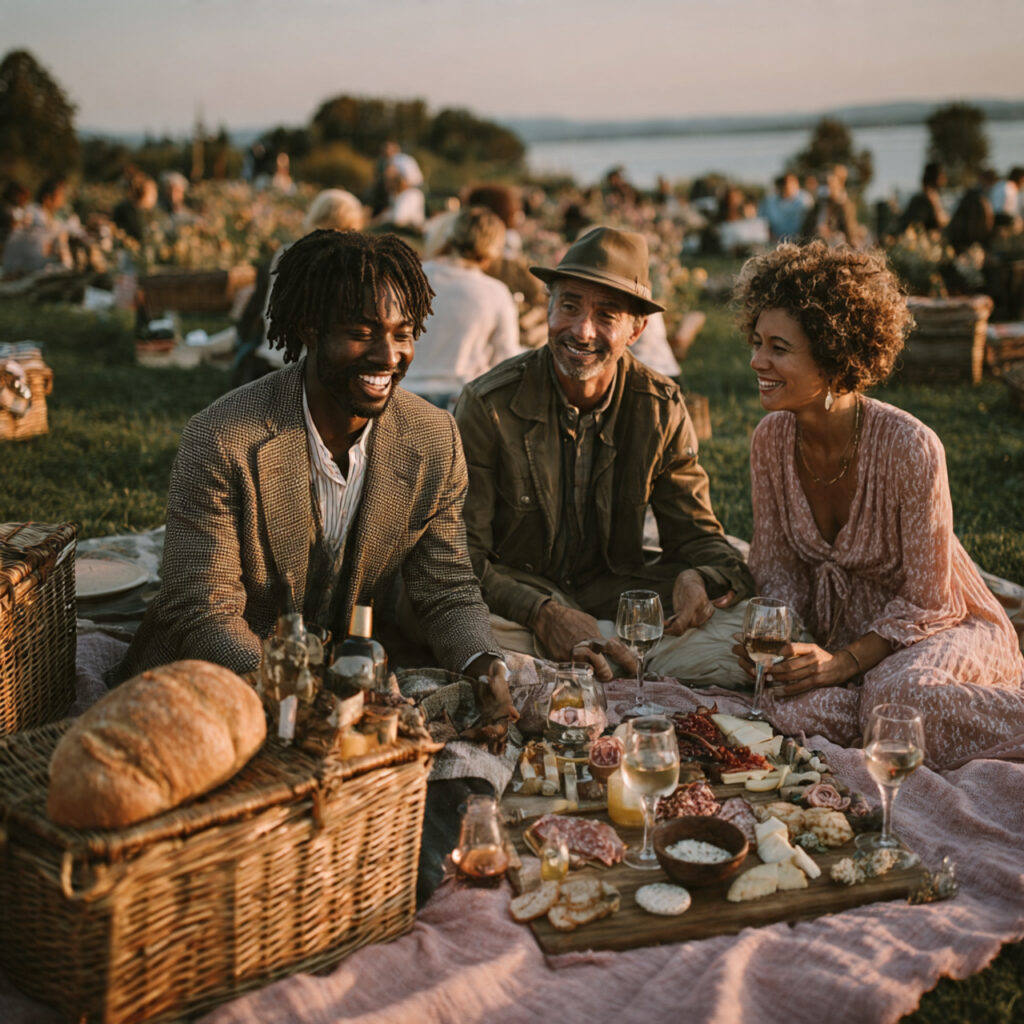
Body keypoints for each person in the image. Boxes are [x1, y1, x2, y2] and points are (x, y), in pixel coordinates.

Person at [118, 229, 508, 691]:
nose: (388, 356)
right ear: (310, 329)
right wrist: (298, 690)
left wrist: (484, 665)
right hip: (218, 683)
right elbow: (201, 610)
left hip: (346, 678)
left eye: (402, 335)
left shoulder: (435, 438)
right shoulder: (222, 437)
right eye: (361, 334)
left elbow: (445, 587)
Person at [734, 241, 1024, 768]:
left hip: (942, 627)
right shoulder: (770, 440)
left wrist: (843, 663)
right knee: (785, 709)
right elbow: (777, 569)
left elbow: (931, 602)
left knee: (901, 703)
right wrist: (779, 644)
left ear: (834, 354)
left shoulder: (910, 446)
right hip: (842, 638)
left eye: (778, 347)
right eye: (756, 341)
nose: (757, 361)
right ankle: (866, 704)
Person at [455, 226, 754, 685]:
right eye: (569, 306)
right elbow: (460, 553)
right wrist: (543, 614)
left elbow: (698, 536)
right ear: (549, 308)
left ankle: (594, 656)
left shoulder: (660, 406)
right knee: (449, 616)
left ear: (637, 329)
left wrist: (700, 577)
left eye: (606, 315)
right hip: (516, 600)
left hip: (615, 597)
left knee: (751, 631)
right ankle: (602, 656)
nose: (582, 331)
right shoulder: (489, 404)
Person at [402, 206, 521, 410]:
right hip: (459, 400)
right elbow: (505, 360)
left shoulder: (412, 276)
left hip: (403, 391)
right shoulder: (496, 293)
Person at [897, 162, 948, 235]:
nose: (944, 177)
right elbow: (940, 221)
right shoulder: (927, 197)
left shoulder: (927, 196)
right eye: (941, 174)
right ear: (936, 177)